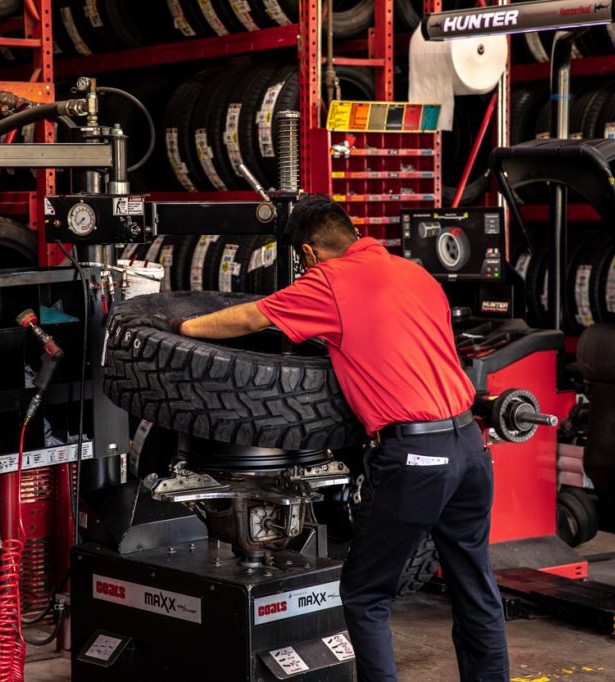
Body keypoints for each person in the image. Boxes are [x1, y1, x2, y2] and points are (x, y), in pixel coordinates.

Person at [123, 194, 508, 681]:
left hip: (415, 454)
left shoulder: (331, 281)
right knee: (476, 588)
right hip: (469, 446)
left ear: (306, 254)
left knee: (366, 595)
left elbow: (249, 317)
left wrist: (177, 328)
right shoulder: (415, 273)